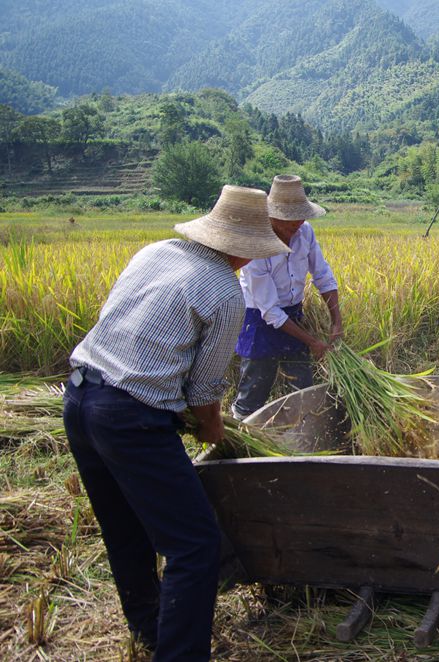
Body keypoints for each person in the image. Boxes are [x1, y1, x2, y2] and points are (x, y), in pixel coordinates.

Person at [62, 185, 290, 660]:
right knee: (194, 546)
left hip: (80, 400)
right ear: (244, 250)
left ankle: (150, 631)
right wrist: (212, 428)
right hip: (130, 419)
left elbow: (117, 321)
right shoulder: (226, 291)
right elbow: (205, 393)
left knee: (124, 532)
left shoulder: (156, 251)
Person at [230, 175, 343, 420]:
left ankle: (303, 434)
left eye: (301, 215)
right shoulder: (256, 244)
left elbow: (322, 274)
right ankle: (242, 436)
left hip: (293, 315)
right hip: (259, 319)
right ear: (272, 215)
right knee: (254, 390)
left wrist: (336, 321)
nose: (298, 222)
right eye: (290, 217)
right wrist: (312, 341)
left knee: (303, 389)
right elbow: (269, 310)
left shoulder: (305, 232)